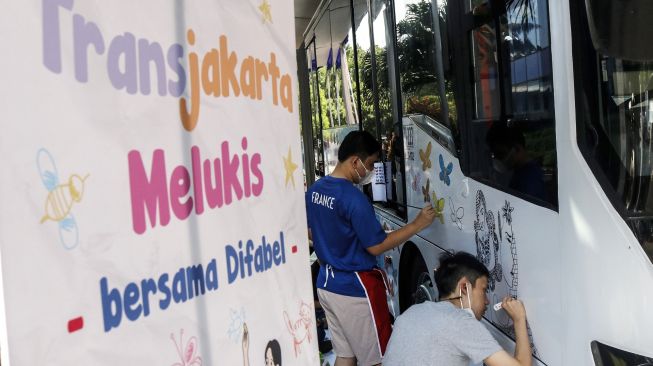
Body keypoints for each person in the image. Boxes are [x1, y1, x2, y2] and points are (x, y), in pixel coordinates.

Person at [306, 130, 436, 366]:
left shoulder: (315, 190)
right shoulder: (353, 199)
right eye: (371, 163)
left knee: (345, 356)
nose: (372, 170)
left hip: (327, 284)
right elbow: (377, 246)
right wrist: (417, 224)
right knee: (376, 359)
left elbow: (312, 232)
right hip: (355, 289)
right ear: (355, 161)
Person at [383, 252, 532, 366]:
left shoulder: (413, 311)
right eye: (484, 290)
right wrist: (519, 320)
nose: (487, 300)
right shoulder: (461, 322)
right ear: (464, 287)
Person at [486, 122, 547, 202]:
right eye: (495, 156)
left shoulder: (529, 180)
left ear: (517, 148)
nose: (498, 159)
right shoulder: (522, 173)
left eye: (501, 154)